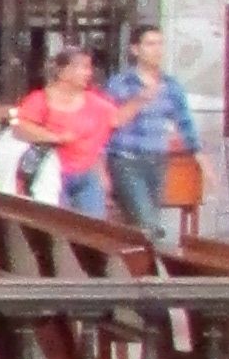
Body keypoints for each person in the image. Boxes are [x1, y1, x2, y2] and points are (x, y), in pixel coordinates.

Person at [105, 20, 201, 240]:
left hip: (157, 160)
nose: (157, 50)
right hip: (126, 159)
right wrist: (139, 99)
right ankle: (155, 260)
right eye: (150, 44)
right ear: (135, 49)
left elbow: (184, 121)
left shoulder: (171, 84)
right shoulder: (120, 83)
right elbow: (109, 122)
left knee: (143, 223)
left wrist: (198, 154)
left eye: (160, 44)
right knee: (147, 223)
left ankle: (138, 259)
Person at [13, 42, 118, 215]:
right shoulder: (40, 99)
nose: (88, 73)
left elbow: (111, 126)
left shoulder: (96, 102)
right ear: (63, 72)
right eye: (82, 67)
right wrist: (55, 137)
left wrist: (102, 172)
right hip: (52, 173)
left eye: (89, 67)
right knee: (60, 223)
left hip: (87, 174)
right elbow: (20, 128)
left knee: (94, 224)